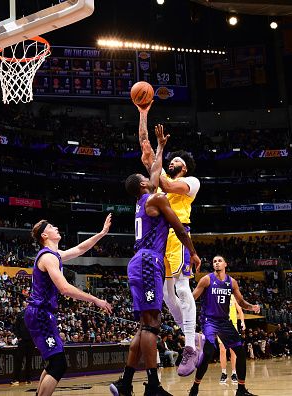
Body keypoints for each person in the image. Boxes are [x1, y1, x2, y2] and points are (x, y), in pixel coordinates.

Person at [111, 124, 200, 396]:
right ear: (142, 184)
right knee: (152, 325)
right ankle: (153, 385)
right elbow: (180, 229)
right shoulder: (156, 199)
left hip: (137, 261)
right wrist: (195, 252)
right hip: (150, 261)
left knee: (145, 324)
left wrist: (157, 142)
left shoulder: (143, 201)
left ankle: (125, 382)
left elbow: (152, 166)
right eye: (146, 176)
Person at [138, 102, 203, 376]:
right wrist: (142, 113)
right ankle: (195, 336)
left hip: (180, 235)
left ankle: (189, 347)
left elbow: (165, 184)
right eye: (172, 159)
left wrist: (160, 152)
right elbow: (145, 148)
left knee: (183, 289)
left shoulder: (193, 182)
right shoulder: (162, 172)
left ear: (185, 168)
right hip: (161, 238)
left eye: (179, 161)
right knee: (166, 295)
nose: (173, 162)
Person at [26, 215, 113, 396]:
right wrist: (95, 300)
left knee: (53, 363)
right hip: (40, 313)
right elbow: (64, 288)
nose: (56, 227)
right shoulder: (48, 257)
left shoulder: (54, 255)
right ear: (44, 235)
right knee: (58, 365)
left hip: (42, 314)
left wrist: (102, 233)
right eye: (51, 226)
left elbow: (81, 248)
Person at [189, 255, 260, 396]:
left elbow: (241, 302)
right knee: (208, 352)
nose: (216, 263)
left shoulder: (232, 282)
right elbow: (192, 298)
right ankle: (195, 387)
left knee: (240, 352)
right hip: (209, 320)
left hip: (224, 321)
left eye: (219, 261)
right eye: (214, 261)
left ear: (225, 264)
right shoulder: (207, 279)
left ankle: (241, 389)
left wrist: (252, 307)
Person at [219, 297, 245, 385]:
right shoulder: (219, 296)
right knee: (222, 350)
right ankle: (224, 373)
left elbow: (240, 311)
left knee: (233, 351)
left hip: (233, 326)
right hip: (222, 326)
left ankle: (234, 373)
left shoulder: (233, 297)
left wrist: (242, 322)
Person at [11, 301, 33, 386]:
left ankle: (28, 379)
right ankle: (16, 379)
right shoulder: (20, 315)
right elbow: (15, 327)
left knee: (29, 360)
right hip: (22, 341)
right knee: (19, 360)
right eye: (27, 303)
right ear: (24, 305)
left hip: (31, 341)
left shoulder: (34, 315)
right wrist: (19, 337)